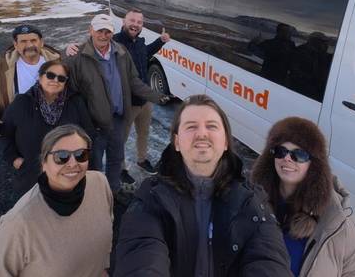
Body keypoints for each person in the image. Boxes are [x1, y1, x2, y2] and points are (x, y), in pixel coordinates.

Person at [114, 94, 292, 276]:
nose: (201, 133)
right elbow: (141, 255)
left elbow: (268, 259)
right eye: (191, 126)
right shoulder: (151, 198)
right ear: (176, 142)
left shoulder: (252, 201)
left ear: (225, 143)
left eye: (211, 126)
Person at [251, 117, 355, 277]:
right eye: (280, 151)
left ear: (315, 164)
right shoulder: (249, 203)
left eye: (299, 154)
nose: (287, 158)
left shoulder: (344, 231)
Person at [0, 125, 113, 277]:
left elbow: (107, 229)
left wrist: (103, 268)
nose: (73, 163)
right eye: (61, 156)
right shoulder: (17, 224)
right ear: (44, 163)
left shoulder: (100, 183)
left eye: (81, 155)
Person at [65, 13, 168, 193]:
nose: (103, 35)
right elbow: (70, 91)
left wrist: (156, 96)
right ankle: (94, 196)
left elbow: (134, 81)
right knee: (94, 165)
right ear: (91, 30)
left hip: (118, 120)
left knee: (115, 159)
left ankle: (112, 193)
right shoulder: (78, 57)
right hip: (95, 126)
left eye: (107, 32)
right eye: (99, 31)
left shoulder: (120, 52)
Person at [0, 59, 96, 196]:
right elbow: (4, 134)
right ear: (40, 77)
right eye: (50, 75)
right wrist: (15, 160)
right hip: (32, 176)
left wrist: (84, 162)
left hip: (69, 173)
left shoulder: (75, 102)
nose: (55, 80)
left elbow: (89, 134)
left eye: (61, 78)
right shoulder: (22, 103)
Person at [0, 24, 60, 138]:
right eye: (23, 41)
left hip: (55, 129)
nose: (29, 45)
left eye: (33, 40)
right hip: (20, 132)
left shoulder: (58, 62)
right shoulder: (1, 68)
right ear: (15, 44)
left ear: (41, 42)